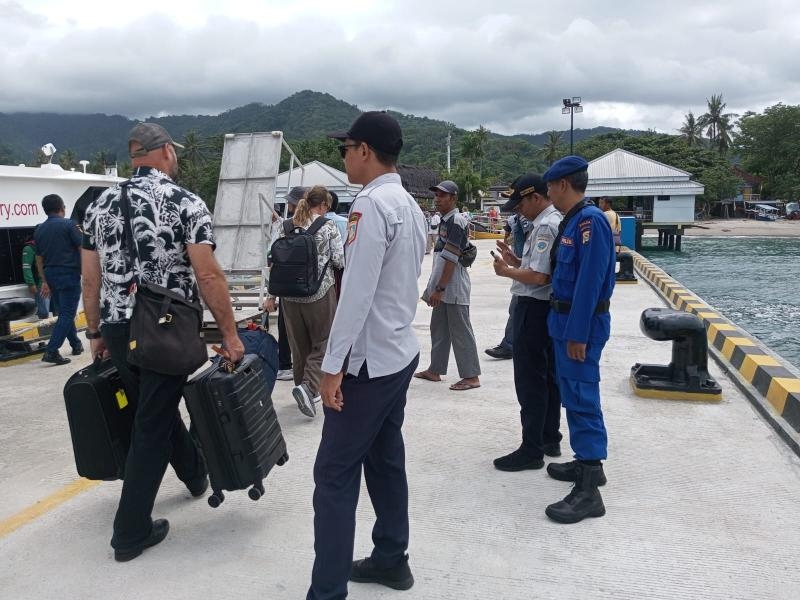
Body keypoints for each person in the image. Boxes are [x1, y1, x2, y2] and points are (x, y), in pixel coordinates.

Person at [81, 122, 245, 561]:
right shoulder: (186, 201)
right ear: (167, 152)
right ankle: (130, 531)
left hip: (118, 329)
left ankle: (194, 475)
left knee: (156, 407)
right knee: (151, 424)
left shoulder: (97, 206)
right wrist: (229, 333)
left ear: (134, 155)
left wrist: (95, 331)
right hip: (165, 326)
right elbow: (207, 274)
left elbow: (90, 278)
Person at [308, 111, 426, 599]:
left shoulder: (370, 206)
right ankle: (390, 557)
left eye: (346, 149)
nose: (344, 157)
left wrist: (332, 367)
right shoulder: (410, 204)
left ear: (364, 151)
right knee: (383, 459)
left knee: (333, 477)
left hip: (369, 363)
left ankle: (328, 591)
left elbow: (355, 294)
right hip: (398, 352)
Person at [542, 155, 615, 524]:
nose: (549, 192)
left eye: (551, 186)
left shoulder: (591, 222)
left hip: (578, 326)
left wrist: (577, 334)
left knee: (583, 398)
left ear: (563, 185)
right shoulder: (574, 221)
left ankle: (589, 491)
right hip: (565, 321)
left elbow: (590, 283)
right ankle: (586, 464)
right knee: (573, 394)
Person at [490, 173, 563, 471]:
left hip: (534, 309)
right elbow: (537, 268)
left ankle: (531, 449)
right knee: (547, 376)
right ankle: (549, 437)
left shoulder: (545, 226)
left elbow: (538, 277)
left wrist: (506, 271)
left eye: (520, 204)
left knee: (530, 380)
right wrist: (516, 260)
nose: (518, 210)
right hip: (546, 308)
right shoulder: (550, 221)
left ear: (536, 197)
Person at [264, 186, 344, 417]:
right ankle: (308, 389)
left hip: (288, 295)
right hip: (319, 293)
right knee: (324, 341)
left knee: (299, 345)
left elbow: (272, 260)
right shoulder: (327, 226)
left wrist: (271, 295)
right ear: (324, 206)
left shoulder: (284, 225)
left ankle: (301, 387)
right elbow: (339, 260)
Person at [415, 180, 481, 391]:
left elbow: (452, 258)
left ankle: (471, 376)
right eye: (436, 195)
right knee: (439, 327)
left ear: (453, 198)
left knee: (461, 330)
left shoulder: (456, 221)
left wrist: (439, 289)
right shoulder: (445, 220)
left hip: (452, 286)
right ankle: (435, 370)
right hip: (443, 283)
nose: (437, 199)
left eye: (442, 196)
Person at [34, 194, 84, 364]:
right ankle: (51, 350)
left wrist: (45, 281)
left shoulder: (39, 229)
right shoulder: (70, 225)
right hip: (68, 273)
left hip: (50, 274)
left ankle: (76, 344)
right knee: (68, 313)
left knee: (63, 312)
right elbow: (81, 249)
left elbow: (38, 259)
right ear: (62, 207)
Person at [276, 186, 306, 381]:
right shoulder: (319, 224)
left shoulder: (285, 226)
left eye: (290, 202)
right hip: (310, 285)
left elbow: (275, 255)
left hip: (287, 283)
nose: (288, 204)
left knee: (285, 325)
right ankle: (306, 370)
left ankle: (286, 365)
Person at [21, 236, 50, 319]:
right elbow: (26, 268)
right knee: (44, 312)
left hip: (53, 282)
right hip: (41, 284)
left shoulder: (47, 245)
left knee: (57, 311)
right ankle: (45, 331)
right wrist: (31, 283)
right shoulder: (29, 248)